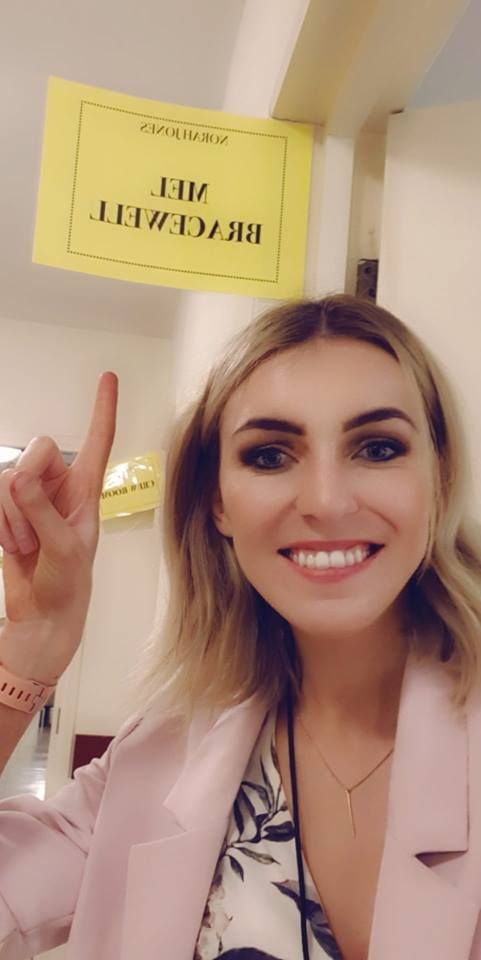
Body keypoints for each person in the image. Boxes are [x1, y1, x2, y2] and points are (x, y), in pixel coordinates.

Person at [1, 295, 481, 960]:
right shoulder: (159, 755)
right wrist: (32, 645)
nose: (326, 502)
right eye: (270, 456)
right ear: (217, 502)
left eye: (377, 448)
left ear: (439, 477)